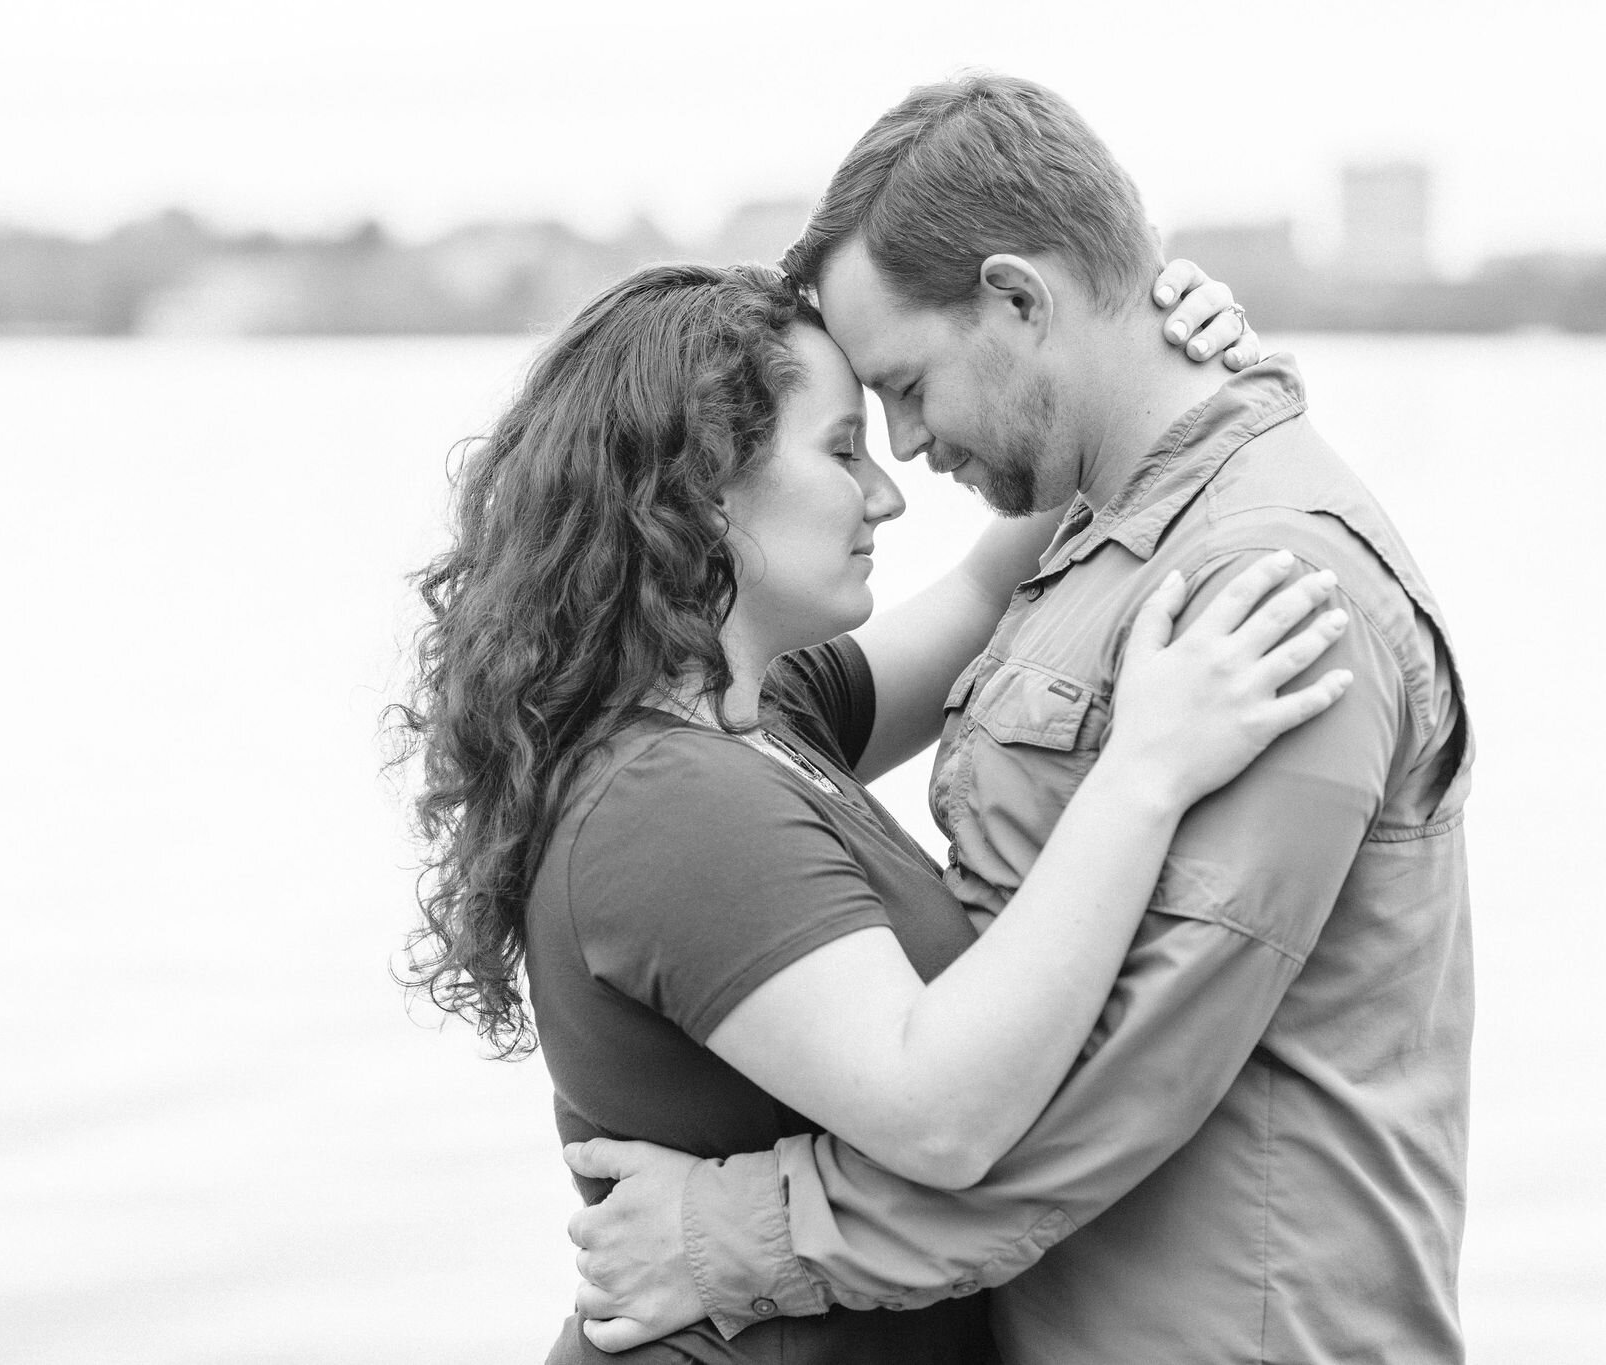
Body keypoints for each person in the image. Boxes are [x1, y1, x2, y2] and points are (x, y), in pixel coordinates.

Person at [561, 75, 1473, 1365]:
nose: (903, 448)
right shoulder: (1099, 533)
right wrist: (1209, 367)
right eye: (855, 430)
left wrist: (737, 1237)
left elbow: (1121, 1077)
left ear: (1016, 298)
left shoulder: (1264, 587)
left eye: (907, 386)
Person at [396, 250, 1350, 1363]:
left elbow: (990, 587)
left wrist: (1158, 363)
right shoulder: (668, 801)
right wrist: (1145, 771)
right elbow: (939, 1116)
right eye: (842, 451)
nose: (888, 492)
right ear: (698, 489)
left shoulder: (760, 718)